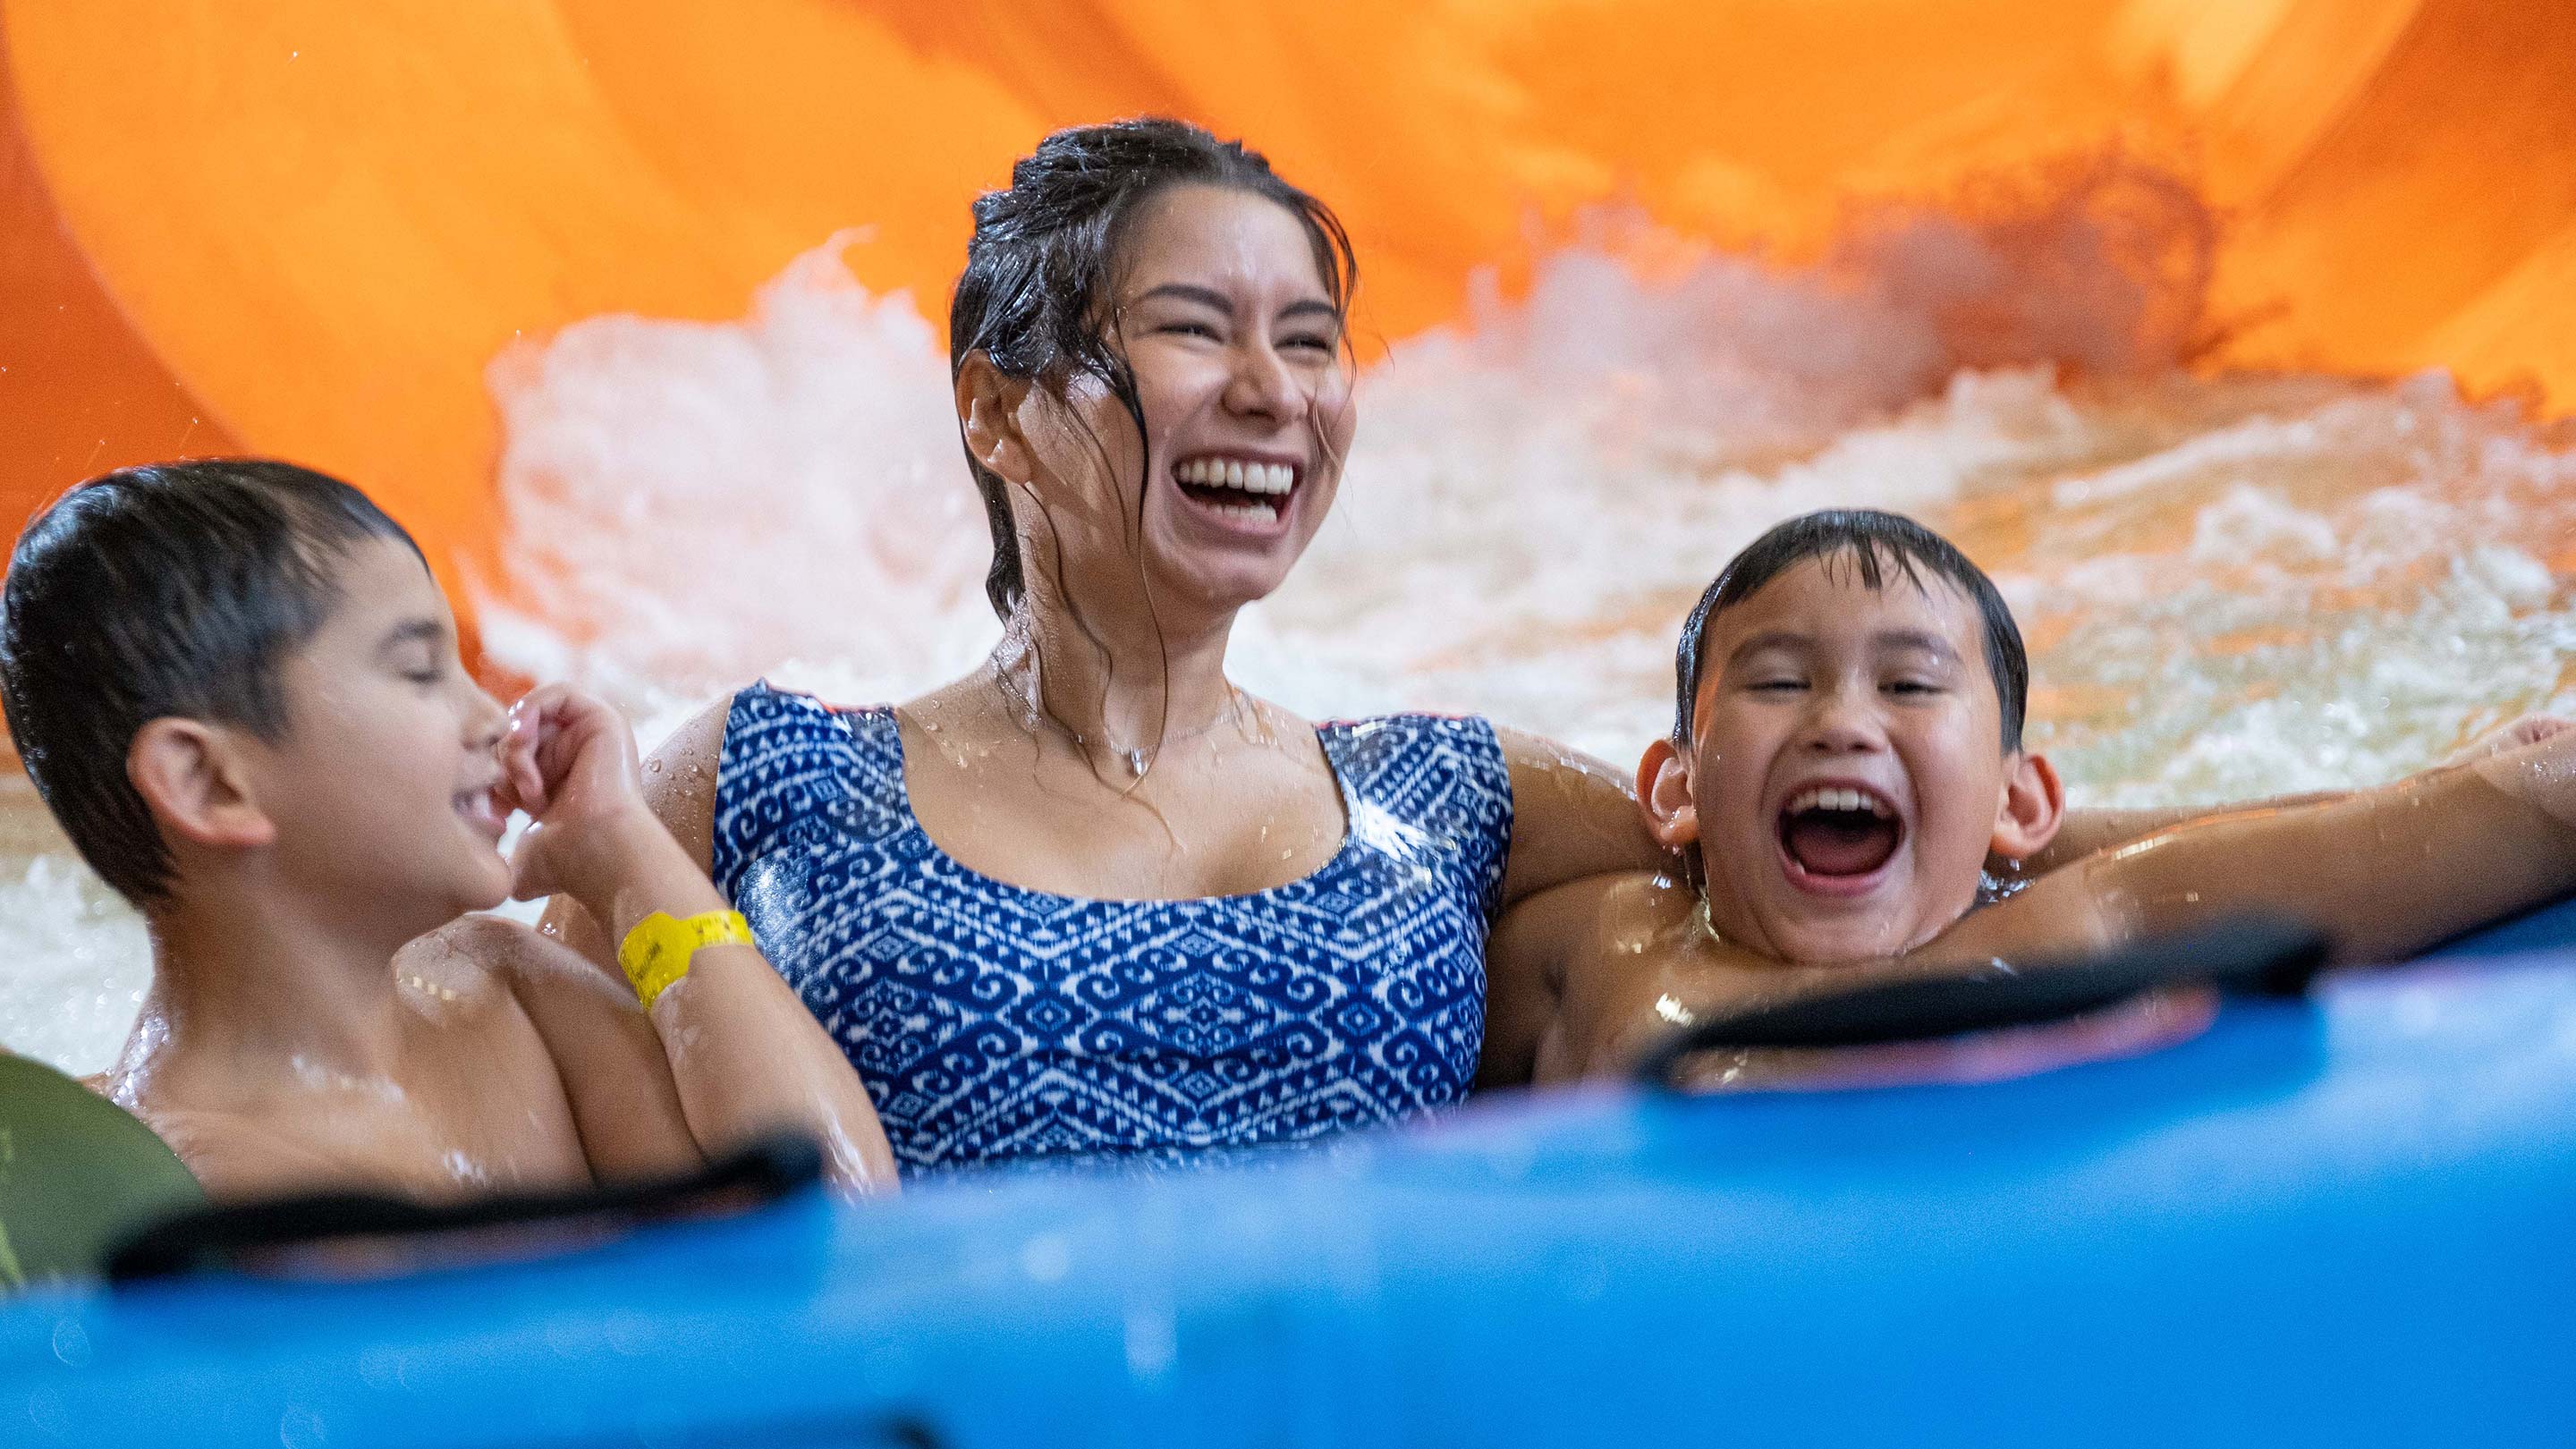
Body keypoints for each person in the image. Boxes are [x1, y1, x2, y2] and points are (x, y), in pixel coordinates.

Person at [535, 121, 2208, 1173]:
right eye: (1196, 330)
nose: (1276, 391)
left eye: (1314, 343)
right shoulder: (764, 778)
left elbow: (1917, 839)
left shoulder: (1445, 795)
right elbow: (481, 1050)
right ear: (997, 410)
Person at [0, 461, 896, 1199]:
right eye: (422, 671)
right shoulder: (165, 1189)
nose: (496, 719)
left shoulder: (508, 989)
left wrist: (627, 855)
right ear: (208, 783)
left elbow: (839, 1224)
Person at [1480, 509, 2576, 1085]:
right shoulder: (1604, 939)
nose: (1842, 722)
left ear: (2019, 804)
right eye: (1779, 682)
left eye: (1909, 684)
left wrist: (2495, 792)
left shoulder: (2039, 936)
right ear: (1675, 788)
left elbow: (2177, 895)